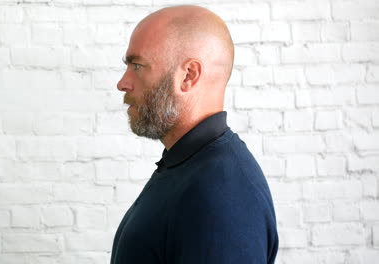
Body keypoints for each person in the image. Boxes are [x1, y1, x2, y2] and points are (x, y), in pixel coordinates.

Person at [111, 5, 278, 264]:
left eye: (137, 65)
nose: (123, 82)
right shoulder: (187, 166)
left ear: (189, 75)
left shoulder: (222, 195)